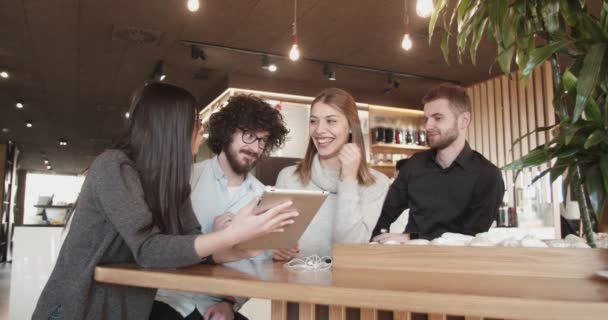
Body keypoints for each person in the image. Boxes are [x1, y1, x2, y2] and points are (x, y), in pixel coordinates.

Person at [32, 83, 297, 320]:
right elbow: (148, 248)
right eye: (195, 122)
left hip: (129, 305)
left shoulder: (173, 184)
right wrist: (232, 235)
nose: (201, 131)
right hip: (83, 305)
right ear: (171, 126)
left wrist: (254, 246)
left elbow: (197, 251)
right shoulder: (113, 167)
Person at [153, 95, 289, 320]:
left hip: (219, 305)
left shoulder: (262, 197)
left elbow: (256, 265)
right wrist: (214, 239)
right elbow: (158, 249)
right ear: (227, 131)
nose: (255, 147)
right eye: (248, 135)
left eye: (262, 140)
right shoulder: (186, 178)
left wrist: (230, 303)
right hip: (169, 299)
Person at [371, 83, 504, 243]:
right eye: (426, 119)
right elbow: (384, 213)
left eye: (438, 118)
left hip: (459, 266)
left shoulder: (488, 175)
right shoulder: (414, 165)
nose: (427, 126)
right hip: (409, 262)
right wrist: (377, 241)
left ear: (464, 120)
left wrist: (411, 237)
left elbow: (469, 238)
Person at [274, 88, 390, 259]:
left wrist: (348, 180)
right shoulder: (288, 177)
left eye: (331, 121)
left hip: (347, 282)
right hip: (295, 281)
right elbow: (271, 241)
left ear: (351, 127)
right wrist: (274, 249)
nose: (319, 130)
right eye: (314, 121)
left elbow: (350, 248)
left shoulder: (377, 183)